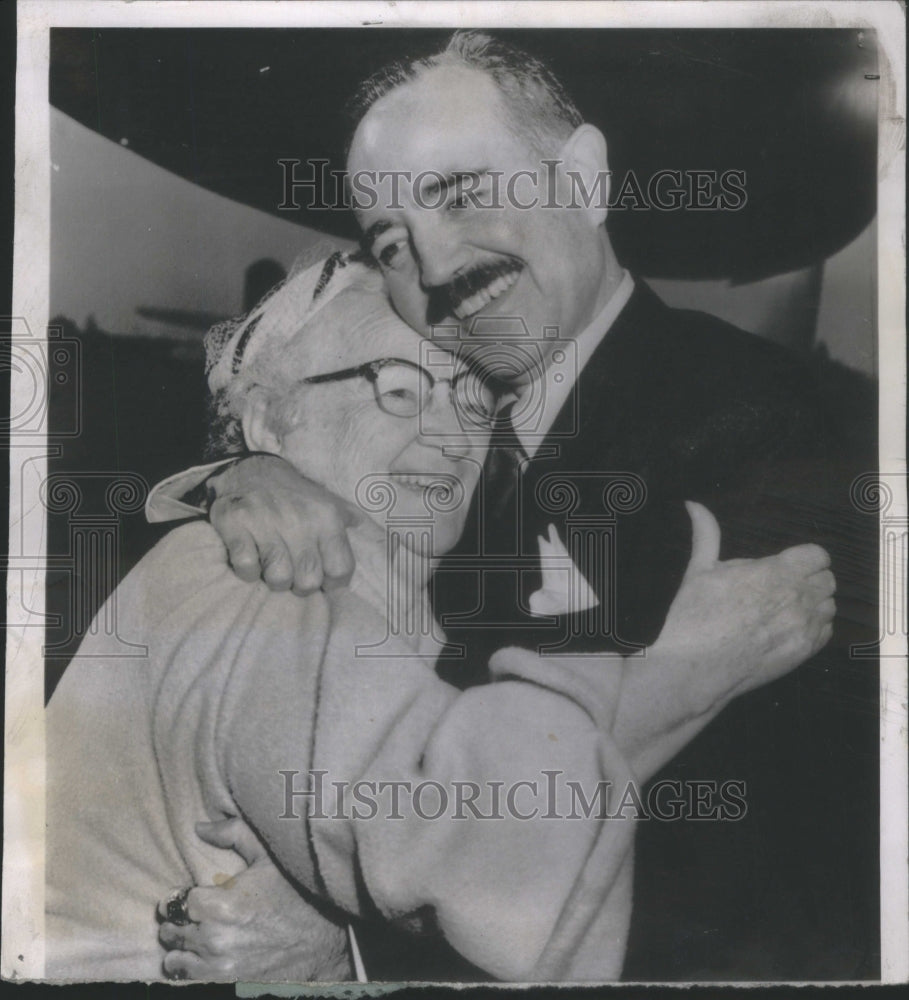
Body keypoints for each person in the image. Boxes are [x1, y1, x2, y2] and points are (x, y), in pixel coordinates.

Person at [148, 32, 875, 979]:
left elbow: (758, 840)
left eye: (460, 194)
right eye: (391, 241)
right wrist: (241, 470)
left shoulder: (759, 413)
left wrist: (350, 931)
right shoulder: (442, 458)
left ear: (581, 178)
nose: (436, 263)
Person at [46, 252, 835, 983]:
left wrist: (338, 936)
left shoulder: (391, 589)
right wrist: (687, 670)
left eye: (470, 396)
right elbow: (501, 869)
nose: (451, 433)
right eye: (397, 387)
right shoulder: (278, 585)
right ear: (265, 419)